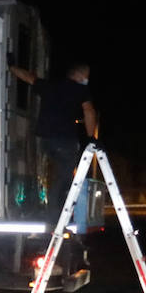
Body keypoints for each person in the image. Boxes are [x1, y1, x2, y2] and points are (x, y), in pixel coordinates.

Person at [9, 63, 98, 217]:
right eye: (85, 76)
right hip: (65, 140)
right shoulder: (80, 90)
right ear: (77, 75)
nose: (86, 80)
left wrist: (11, 67)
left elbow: (29, 77)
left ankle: (46, 209)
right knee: (65, 178)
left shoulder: (50, 86)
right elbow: (89, 111)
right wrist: (91, 138)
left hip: (45, 141)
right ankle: (55, 215)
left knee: (51, 175)